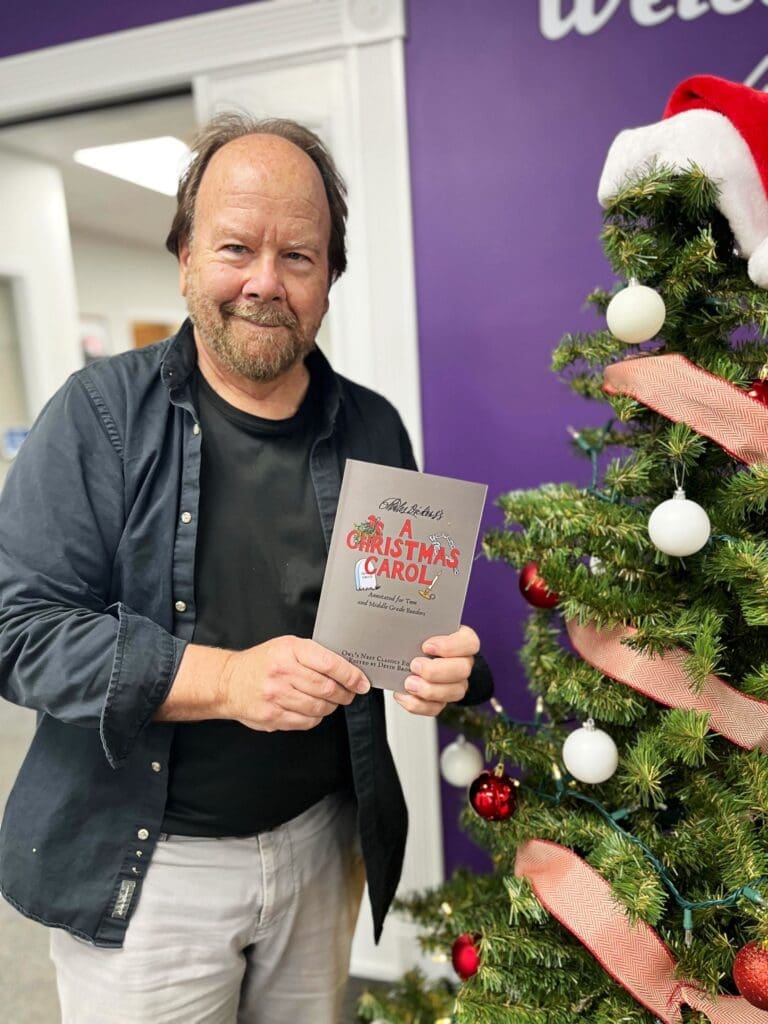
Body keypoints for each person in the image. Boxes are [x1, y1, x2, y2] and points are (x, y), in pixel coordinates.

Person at [0, 113, 492, 1023]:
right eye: (235, 247)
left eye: (298, 257)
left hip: (321, 845)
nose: (265, 283)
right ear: (185, 254)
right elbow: (19, 631)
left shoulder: (375, 428)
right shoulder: (98, 417)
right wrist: (227, 679)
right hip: (148, 868)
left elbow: (409, 616)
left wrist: (449, 664)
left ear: (330, 279)